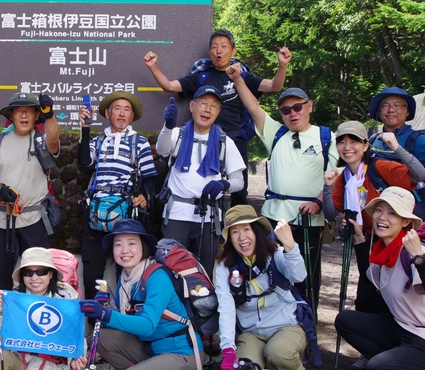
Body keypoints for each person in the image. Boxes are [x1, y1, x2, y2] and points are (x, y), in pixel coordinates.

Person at [333, 187, 425, 370]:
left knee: (375, 369)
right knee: (346, 320)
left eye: (392, 213)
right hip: (401, 329)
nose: (382, 217)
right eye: (379, 210)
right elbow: (370, 278)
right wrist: (359, 239)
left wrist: (418, 256)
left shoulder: (413, 251)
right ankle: (396, 366)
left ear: (406, 222)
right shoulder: (383, 248)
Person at [142, 30, 291, 206]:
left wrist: (282, 66)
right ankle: (208, 224)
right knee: (200, 182)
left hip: (235, 137)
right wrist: (153, 66)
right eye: (214, 47)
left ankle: (238, 229)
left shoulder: (241, 75)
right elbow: (169, 86)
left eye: (223, 47)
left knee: (239, 191)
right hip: (203, 138)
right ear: (209, 52)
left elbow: (274, 86)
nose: (218, 51)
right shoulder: (202, 76)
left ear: (233, 51)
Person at [79, 219, 201, 370]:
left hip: (181, 354)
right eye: (118, 244)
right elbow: (126, 318)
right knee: (99, 336)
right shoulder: (126, 278)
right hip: (151, 349)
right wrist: (106, 307)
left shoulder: (157, 277)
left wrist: (107, 314)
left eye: (131, 243)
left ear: (143, 247)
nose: (124, 250)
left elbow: (147, 326)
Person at [236, 84, 338, 314]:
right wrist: (238, 79)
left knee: (306, 277)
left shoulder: (326, 137)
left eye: (297, 107)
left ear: (309, 106)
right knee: (269, 271)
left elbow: (334, 178)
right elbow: (252, 106)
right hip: (272, 218)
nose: (292, 113)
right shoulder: (277, 133)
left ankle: (305, 323)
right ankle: (274, 321)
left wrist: (319, 203)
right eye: (285, 110)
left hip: (308, 219)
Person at [322, 120, 425, 321]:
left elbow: (421, 175)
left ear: (365, 146)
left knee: (386, 295)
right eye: (341, 142)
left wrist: (397, 148)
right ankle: (373, 343)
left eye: (353, 141)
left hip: (393, 242)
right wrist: (328, 186)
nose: (347, 148)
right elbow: (330, 213)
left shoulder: (379, 167)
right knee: (366, 296)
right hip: (365, 241)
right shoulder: (344, 177)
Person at [155, 86, 247, 273]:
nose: (207, 109)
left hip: (210, 217)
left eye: (213, 105)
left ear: (218, 112)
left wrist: (224, 184)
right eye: (203, 103)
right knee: (172, 269)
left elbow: (239, 181)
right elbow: (162, 150)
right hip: (176, 215)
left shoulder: (224, 141)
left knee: (205, 270)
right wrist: (168, 126)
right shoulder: (177, 134)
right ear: (191, 106)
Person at [213, 205, 308, 370]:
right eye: (235, 232)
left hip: (285, 325)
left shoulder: (277, 254)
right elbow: (225, 307)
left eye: (246, 229)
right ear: (229, 238)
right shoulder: (224, 266)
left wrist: (291, 246)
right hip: (250, 332)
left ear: (256, 231)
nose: (242, 238)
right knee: (245, 369)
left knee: (279, 353)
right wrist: (227, 349)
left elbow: (299, 276)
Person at [77, 90, 158, 299]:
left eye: (127, 109)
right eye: (117, 109)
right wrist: (85, 130)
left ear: (131, 116)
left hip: (126, 212)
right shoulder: (99, 140)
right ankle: (93, 318)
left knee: (128, 267)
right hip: (97, 211)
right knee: (92, 267)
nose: (122, 114)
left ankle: (126, 316)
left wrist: (145, 198)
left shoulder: (139, 142)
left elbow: (149, 177)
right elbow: (85, 162)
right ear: (107, 113)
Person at [0, 92, 60, 291]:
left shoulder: (42, 140)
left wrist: (49, 114)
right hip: (2, 217)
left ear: (35, 116)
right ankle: (1, 316)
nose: (24, 116)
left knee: (37, 272)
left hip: (34, 217)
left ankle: (34, 316)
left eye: (29, 111)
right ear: (11, 116)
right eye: (19, 111)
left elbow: (54, 138)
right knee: (1, 273)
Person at [367, 87, 425, 221]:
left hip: (409, 215)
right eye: (385, 105)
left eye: (397, 105)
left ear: (407, 112)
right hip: (378, 213)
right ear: (379, 112)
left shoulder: (417, 140)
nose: (391, 109)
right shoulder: (373, 140)